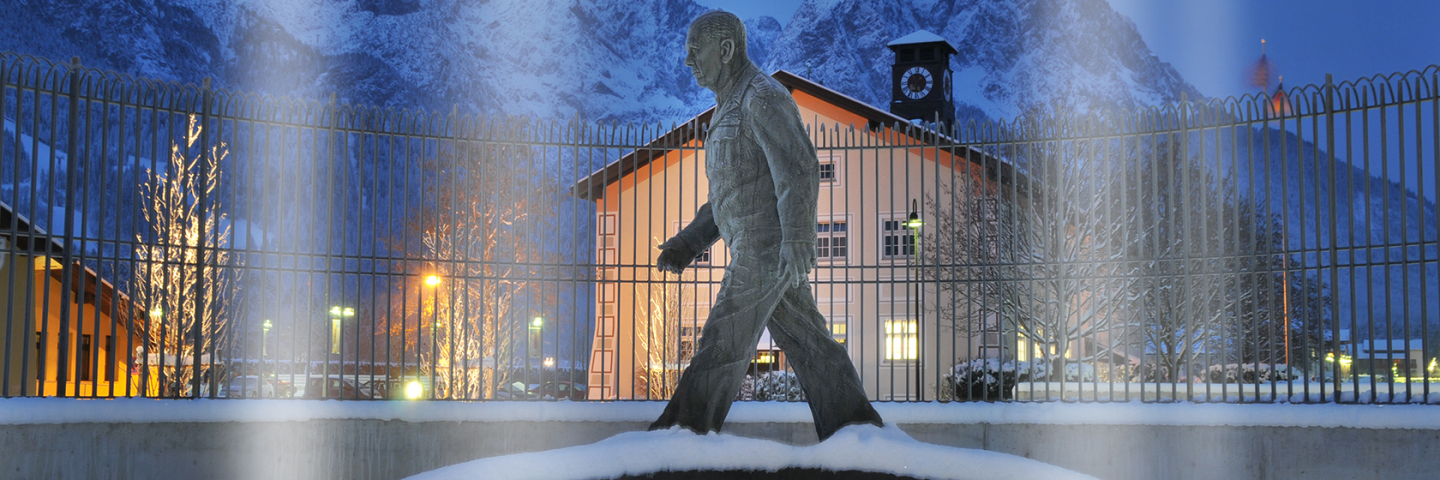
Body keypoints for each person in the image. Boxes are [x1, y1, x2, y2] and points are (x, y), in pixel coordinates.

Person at [648, 10, 883, 442]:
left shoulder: (761, 97)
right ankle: (857, 431)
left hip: (764, 248)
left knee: (723, 342)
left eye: (694, 51)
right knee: (814, 349)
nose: (688, 62)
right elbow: (728, 197)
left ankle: (681, 434)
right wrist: (687, 243)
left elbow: (798, 169)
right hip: (758, 248)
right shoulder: (726, 109)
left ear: (725, 49)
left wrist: (797, 239)